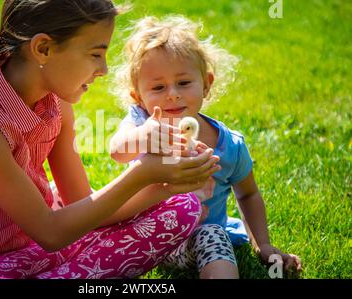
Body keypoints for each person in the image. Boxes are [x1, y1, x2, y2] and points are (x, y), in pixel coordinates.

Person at [0, 1, 223, 279]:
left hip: (32, 250)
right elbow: (51, 233)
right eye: (96, 54)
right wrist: (143, 174)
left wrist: (165, 186)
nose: (104, 69)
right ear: (43, 48)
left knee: (181, 206)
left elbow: (80, 204)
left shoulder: (57, 103)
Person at [109, 15, 302, 278]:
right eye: (158, 87)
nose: (173, 94)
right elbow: (117, 150)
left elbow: (248, 194)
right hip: (146, 235)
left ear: (207, 84)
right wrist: (144, 136)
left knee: (213, 235)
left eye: (184, 82)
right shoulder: (141, 123)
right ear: (138, 97)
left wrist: (262, 244)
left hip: (196, 239)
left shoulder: (230, 145)